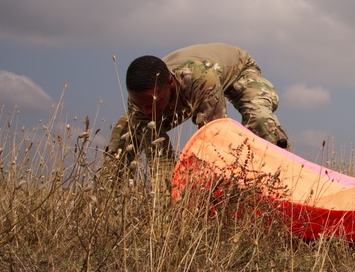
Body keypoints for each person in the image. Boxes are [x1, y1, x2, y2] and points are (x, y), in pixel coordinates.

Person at [104, 43, 288, 179]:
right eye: (141, 104)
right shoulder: (139, 103)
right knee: (125, 133)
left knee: (260, 120)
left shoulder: (201, 80)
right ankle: (108, 201)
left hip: (238, 71)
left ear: (169, 83)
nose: (147, 111)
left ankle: (286, 176)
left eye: (153, 102)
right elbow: (159, 159)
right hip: (185, 91)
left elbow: (215, 141)